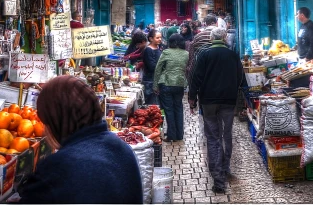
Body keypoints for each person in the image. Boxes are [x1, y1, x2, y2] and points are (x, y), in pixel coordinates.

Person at [18, 76, 142, 204]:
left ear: (57, 120)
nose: (44, 130)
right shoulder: (121, 147)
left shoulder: (59, 167)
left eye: (45, 122)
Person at [189, 28, 245, 194]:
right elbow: (241, 78)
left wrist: (192, 98)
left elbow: (195, 78)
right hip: (228, 101)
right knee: (226, 134)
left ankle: (219, 181)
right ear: (225, 37)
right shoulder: (233, 55)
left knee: (213, 138)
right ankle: (226, 168)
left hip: (208, 102)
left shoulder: (204, 55)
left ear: (211, 39)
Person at [153, 33, 189, 142]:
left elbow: (158, 69)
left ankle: (171, 135)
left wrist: (155, 85)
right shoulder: (186, 53)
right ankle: (179, 135)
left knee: (169, 109)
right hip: (179, 84)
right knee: (178, 108)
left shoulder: (166, 52)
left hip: (166, 83)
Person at [186, 14, 219, 85]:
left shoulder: (198, 36)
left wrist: (190, 67)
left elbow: (191, 54)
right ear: (216, 22)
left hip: (201, 67)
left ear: (205, 23)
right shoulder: (222, 35)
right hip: (218, 66)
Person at [142, 29, 163, 105]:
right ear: (151, 39)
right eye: (157, 38)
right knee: (152, 104)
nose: (160, 39)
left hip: (157, 79)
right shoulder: (148, 50)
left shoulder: (158, 48)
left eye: (160, 37)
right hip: (150, 81)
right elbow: (152, 66)